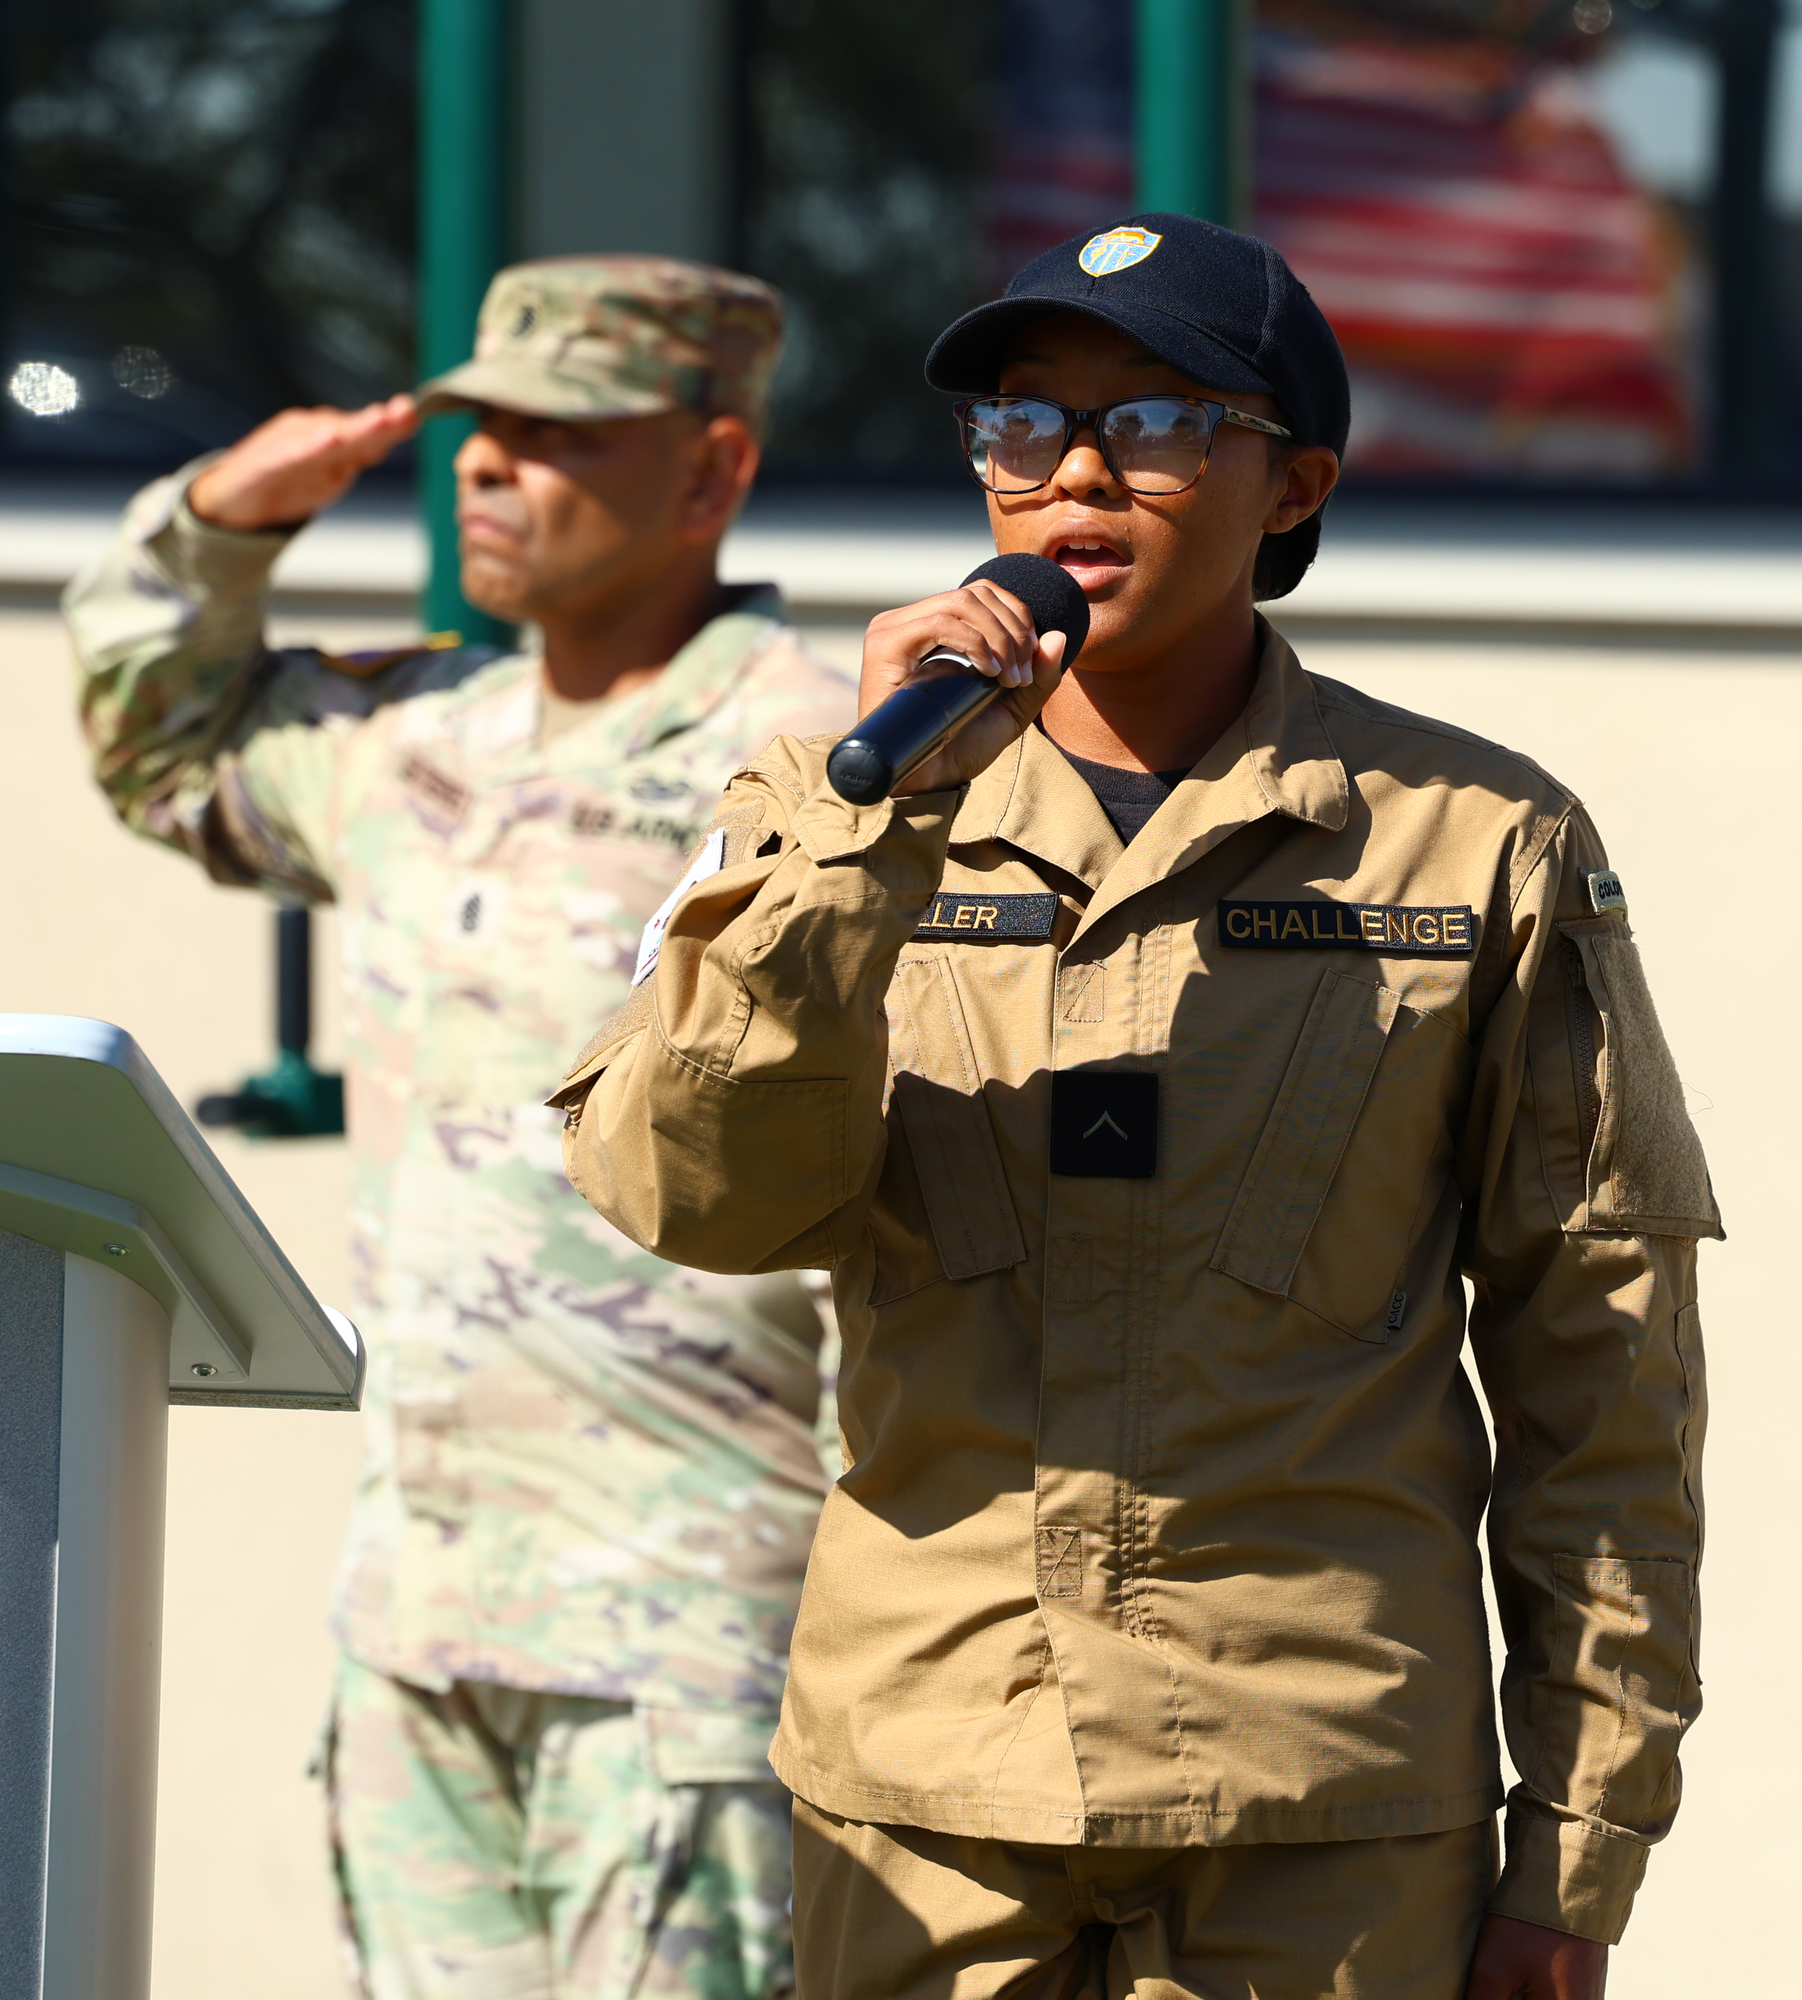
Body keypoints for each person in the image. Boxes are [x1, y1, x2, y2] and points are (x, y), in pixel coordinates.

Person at [552, 216, 1715, 2000]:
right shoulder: (827, 803)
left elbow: (1601, 1367)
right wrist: (870, 844)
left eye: (1161, 420)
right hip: (927, 1801)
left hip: (1318, 1813)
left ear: (1291, 484)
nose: (1077, 470)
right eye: (1022, 424)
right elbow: (690, 1198)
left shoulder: (1474, 839)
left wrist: (1579, 1844)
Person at [66, 256, 857, 2000]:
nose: (488, 466)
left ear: (711, 472)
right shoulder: (419, 730)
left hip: (682, 1636)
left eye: (556, 434)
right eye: (477, 427)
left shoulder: (817, 757)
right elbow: (157, 737)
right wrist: (216, 517)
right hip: (416, 1620)